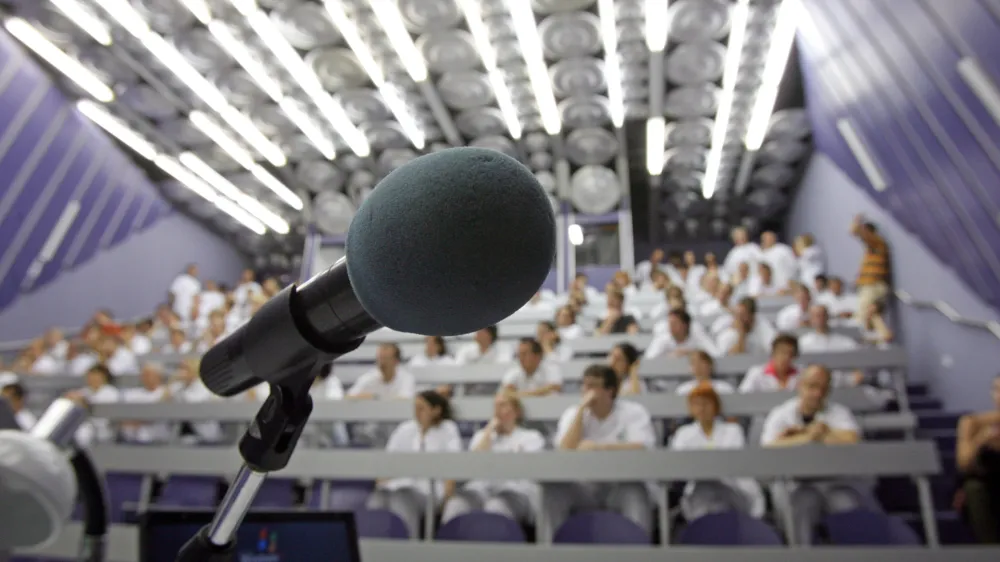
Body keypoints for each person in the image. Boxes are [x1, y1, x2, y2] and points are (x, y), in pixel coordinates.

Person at [761, 364, 873, 545]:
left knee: (849, 508)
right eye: (812, 386)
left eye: (823, 388)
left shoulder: (838, 412)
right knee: (798, 510)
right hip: (794, 484)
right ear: (800, 385)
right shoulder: (781, 414)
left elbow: (852, 439)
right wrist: (808, 436)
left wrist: (822, 433)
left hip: (834, 483)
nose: (817, 393)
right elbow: (769, 448)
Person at [545, 364, 657, 535]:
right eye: (584, 385)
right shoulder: (573, 413)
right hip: (584, 487)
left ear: (609, 391)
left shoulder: (634, 412)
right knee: (553, 491)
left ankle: (640, 551)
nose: (586, 391)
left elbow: (642, 446)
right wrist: (582, 410)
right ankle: (552, 551)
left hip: (620, 484)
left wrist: (598, 447)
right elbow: (564, 450)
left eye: (593, 386)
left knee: (636, 492)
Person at [366, 390, 461, 536]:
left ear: (436, 410)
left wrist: (446, 499)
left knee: (402, 497)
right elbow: (388, 461)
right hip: (398, 485)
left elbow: (453, 466)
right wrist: (382, 481)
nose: (417, 412)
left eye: (421, 408)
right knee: (378, 498)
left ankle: (407, 546)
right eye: (415, 408)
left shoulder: (448, 429)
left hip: (430, 491)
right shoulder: (405, 429)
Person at [440, 393, 545, 525]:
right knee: (455, 504)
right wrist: (489, 431)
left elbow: (530, 469)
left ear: (516, 411)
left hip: (515, 490)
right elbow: (473, 463)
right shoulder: (482, 436)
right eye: (495, 406)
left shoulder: (531, 437)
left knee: (495, 506)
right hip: (482, 488)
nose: (497, 410)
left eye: (502, 405)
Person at [669, 384, 765, 521]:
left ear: (716, 406)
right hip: (697, 489)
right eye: (697, 404)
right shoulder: (683, 434)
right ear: (691, 408)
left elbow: (732, 460)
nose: (702, 408)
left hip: (733, 487)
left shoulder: (733, 430)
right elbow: (680, 464)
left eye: (706, 403)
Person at [955, 375, 1000, 543]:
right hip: (984, 485)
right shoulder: (973, 422)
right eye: (997, 390)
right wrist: (981, 440)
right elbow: (964, 464)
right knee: (974, 489)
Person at [850, 215, 890, 324]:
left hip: (873, 285)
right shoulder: (871, 250)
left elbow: (854, 232)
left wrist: (857, 221)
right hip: (870, 285)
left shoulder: (878, 243)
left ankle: (859, 338)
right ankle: (880, 337)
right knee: (871, 315)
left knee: (861, 317)